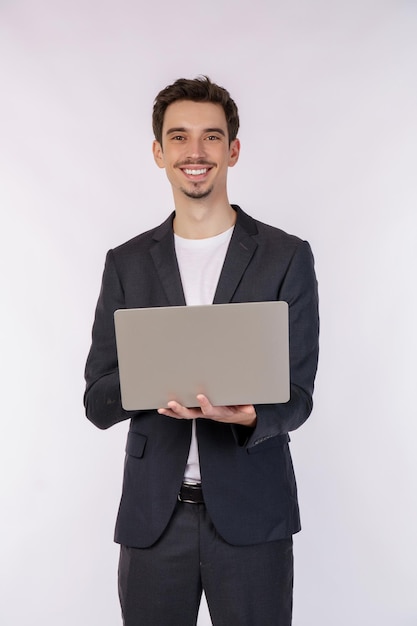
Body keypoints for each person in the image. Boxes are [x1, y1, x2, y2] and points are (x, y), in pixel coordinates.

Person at [84, 76, 319, 626]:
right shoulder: (127, 263)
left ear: (233, 150)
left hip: (253, 517)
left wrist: (248, 416)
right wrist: (153, 372)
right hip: (153, 521)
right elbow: (97, 401)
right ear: (158, 152)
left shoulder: (286, 256)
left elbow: (300, 393)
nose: (196, 152)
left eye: (211, 137)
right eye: (180, 137)